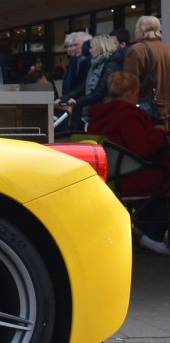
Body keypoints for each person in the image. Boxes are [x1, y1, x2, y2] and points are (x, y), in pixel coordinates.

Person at [87, 70, 170, 254]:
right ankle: (152, 233)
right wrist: (159, 131)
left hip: (108, 177)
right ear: (130, 93)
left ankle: (144, 228)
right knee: (166, 175)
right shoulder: (127, 116)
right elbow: (143, 149)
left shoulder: (98, 115)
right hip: (129, 178)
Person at [59, 34, 121, 127]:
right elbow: (83, 86)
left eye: (92, 47)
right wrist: (63, 99)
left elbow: (100, 92)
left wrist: (77, 101)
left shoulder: (110, 65)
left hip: (105, 111)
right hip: (97, 110)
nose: (89, 50)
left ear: (100, 47)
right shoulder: (95, 64)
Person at [123, 15, 170, 131]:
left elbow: (129, 83)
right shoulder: (167, 48)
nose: (135, 31)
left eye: (136, 28)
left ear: (141, 30)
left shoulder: (136, 50)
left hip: (147, 110)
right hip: (166, 109)